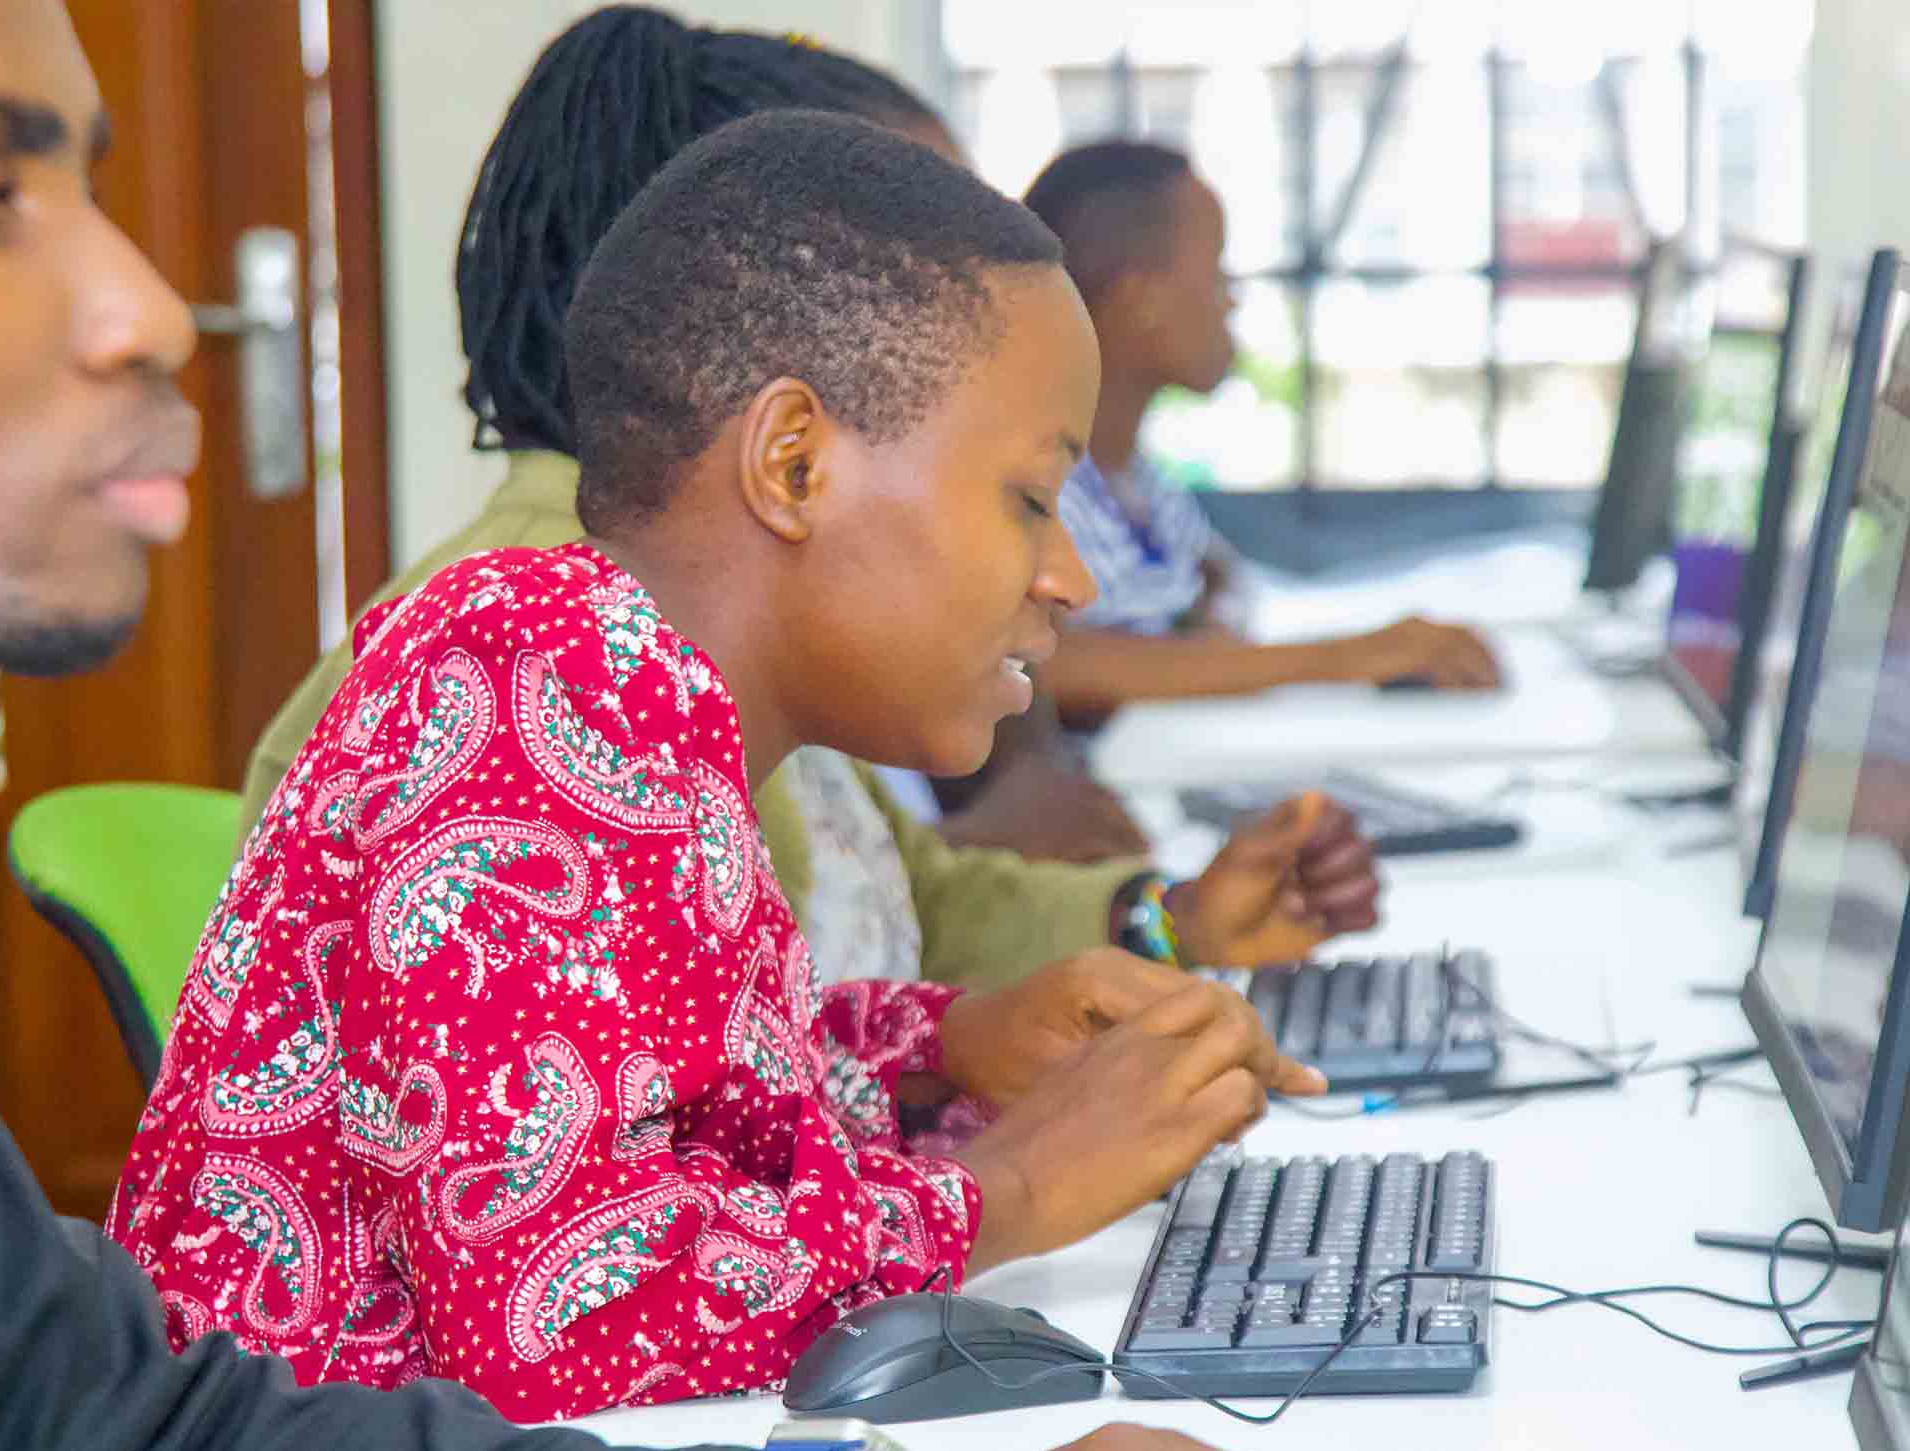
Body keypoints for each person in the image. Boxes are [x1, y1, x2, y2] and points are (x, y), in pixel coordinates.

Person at [0, 2, 1499, 1451]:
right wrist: (994, 1199)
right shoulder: (541, 671)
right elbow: (549, 1293)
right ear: (791, 462)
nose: (158, 309)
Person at [238, 9, 1382, 993]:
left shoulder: (737, 604)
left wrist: (1166, 923)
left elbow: (902, 911)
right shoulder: (547, 677)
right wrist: (1013, 1165)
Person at [1017, 140, 1504, 723]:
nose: (1232, 300)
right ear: (1141, 299)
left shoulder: (1136, 479)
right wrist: (1341, 658)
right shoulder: (1037, 481)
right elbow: (1044, 665)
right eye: (1217, 271)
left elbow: (1218, 577)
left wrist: (1210, 635)